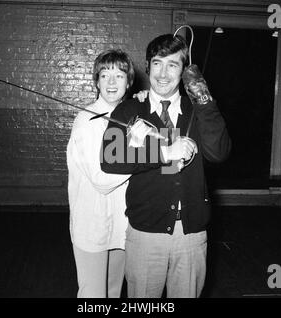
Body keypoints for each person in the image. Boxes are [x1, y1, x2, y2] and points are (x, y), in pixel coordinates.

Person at [100, 34, 231, 298]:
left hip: (192, 235)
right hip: (146, 233)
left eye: (173, 65)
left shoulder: (198, 110)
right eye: (157, 63)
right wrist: (163, 152)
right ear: (147, 67)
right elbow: (110, 159)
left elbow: (218, 153)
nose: (163, 73)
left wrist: (203, 100)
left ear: (183, 71)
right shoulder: (129, 109)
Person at [66, 49, 135, 298]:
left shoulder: (132, 119)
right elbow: (100, 180)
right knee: (94, 297)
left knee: (114, 293)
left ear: (129, 82)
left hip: (121, 226)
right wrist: (151, 160)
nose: (112, 82)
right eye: (105, 75)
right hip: (92, 226)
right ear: (96, 82)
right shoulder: (86, 121)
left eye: (119, 75)